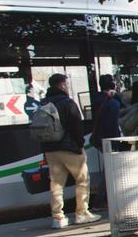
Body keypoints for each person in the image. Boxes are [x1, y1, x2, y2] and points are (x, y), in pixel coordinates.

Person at [38, 74, 101, 228]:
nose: (67, 86)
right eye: (66, 84)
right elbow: (76, 126)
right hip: (70, 149)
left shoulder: (43, 103)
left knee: (56, 183)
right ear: (61, 85)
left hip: (50, 149)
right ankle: (81, 213)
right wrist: (79, 144)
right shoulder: (68, 103)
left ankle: (58, 218)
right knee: (82, 180)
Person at [90, 74, 122, 208]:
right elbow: (113, 125)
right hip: (109, 140)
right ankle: (100, 199)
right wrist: (116, 141)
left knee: (107, 168)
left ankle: (101, 198)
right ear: (113, 85)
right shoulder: (112, 103)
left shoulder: (96, 99)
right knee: (109, 170)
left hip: (98, 138)